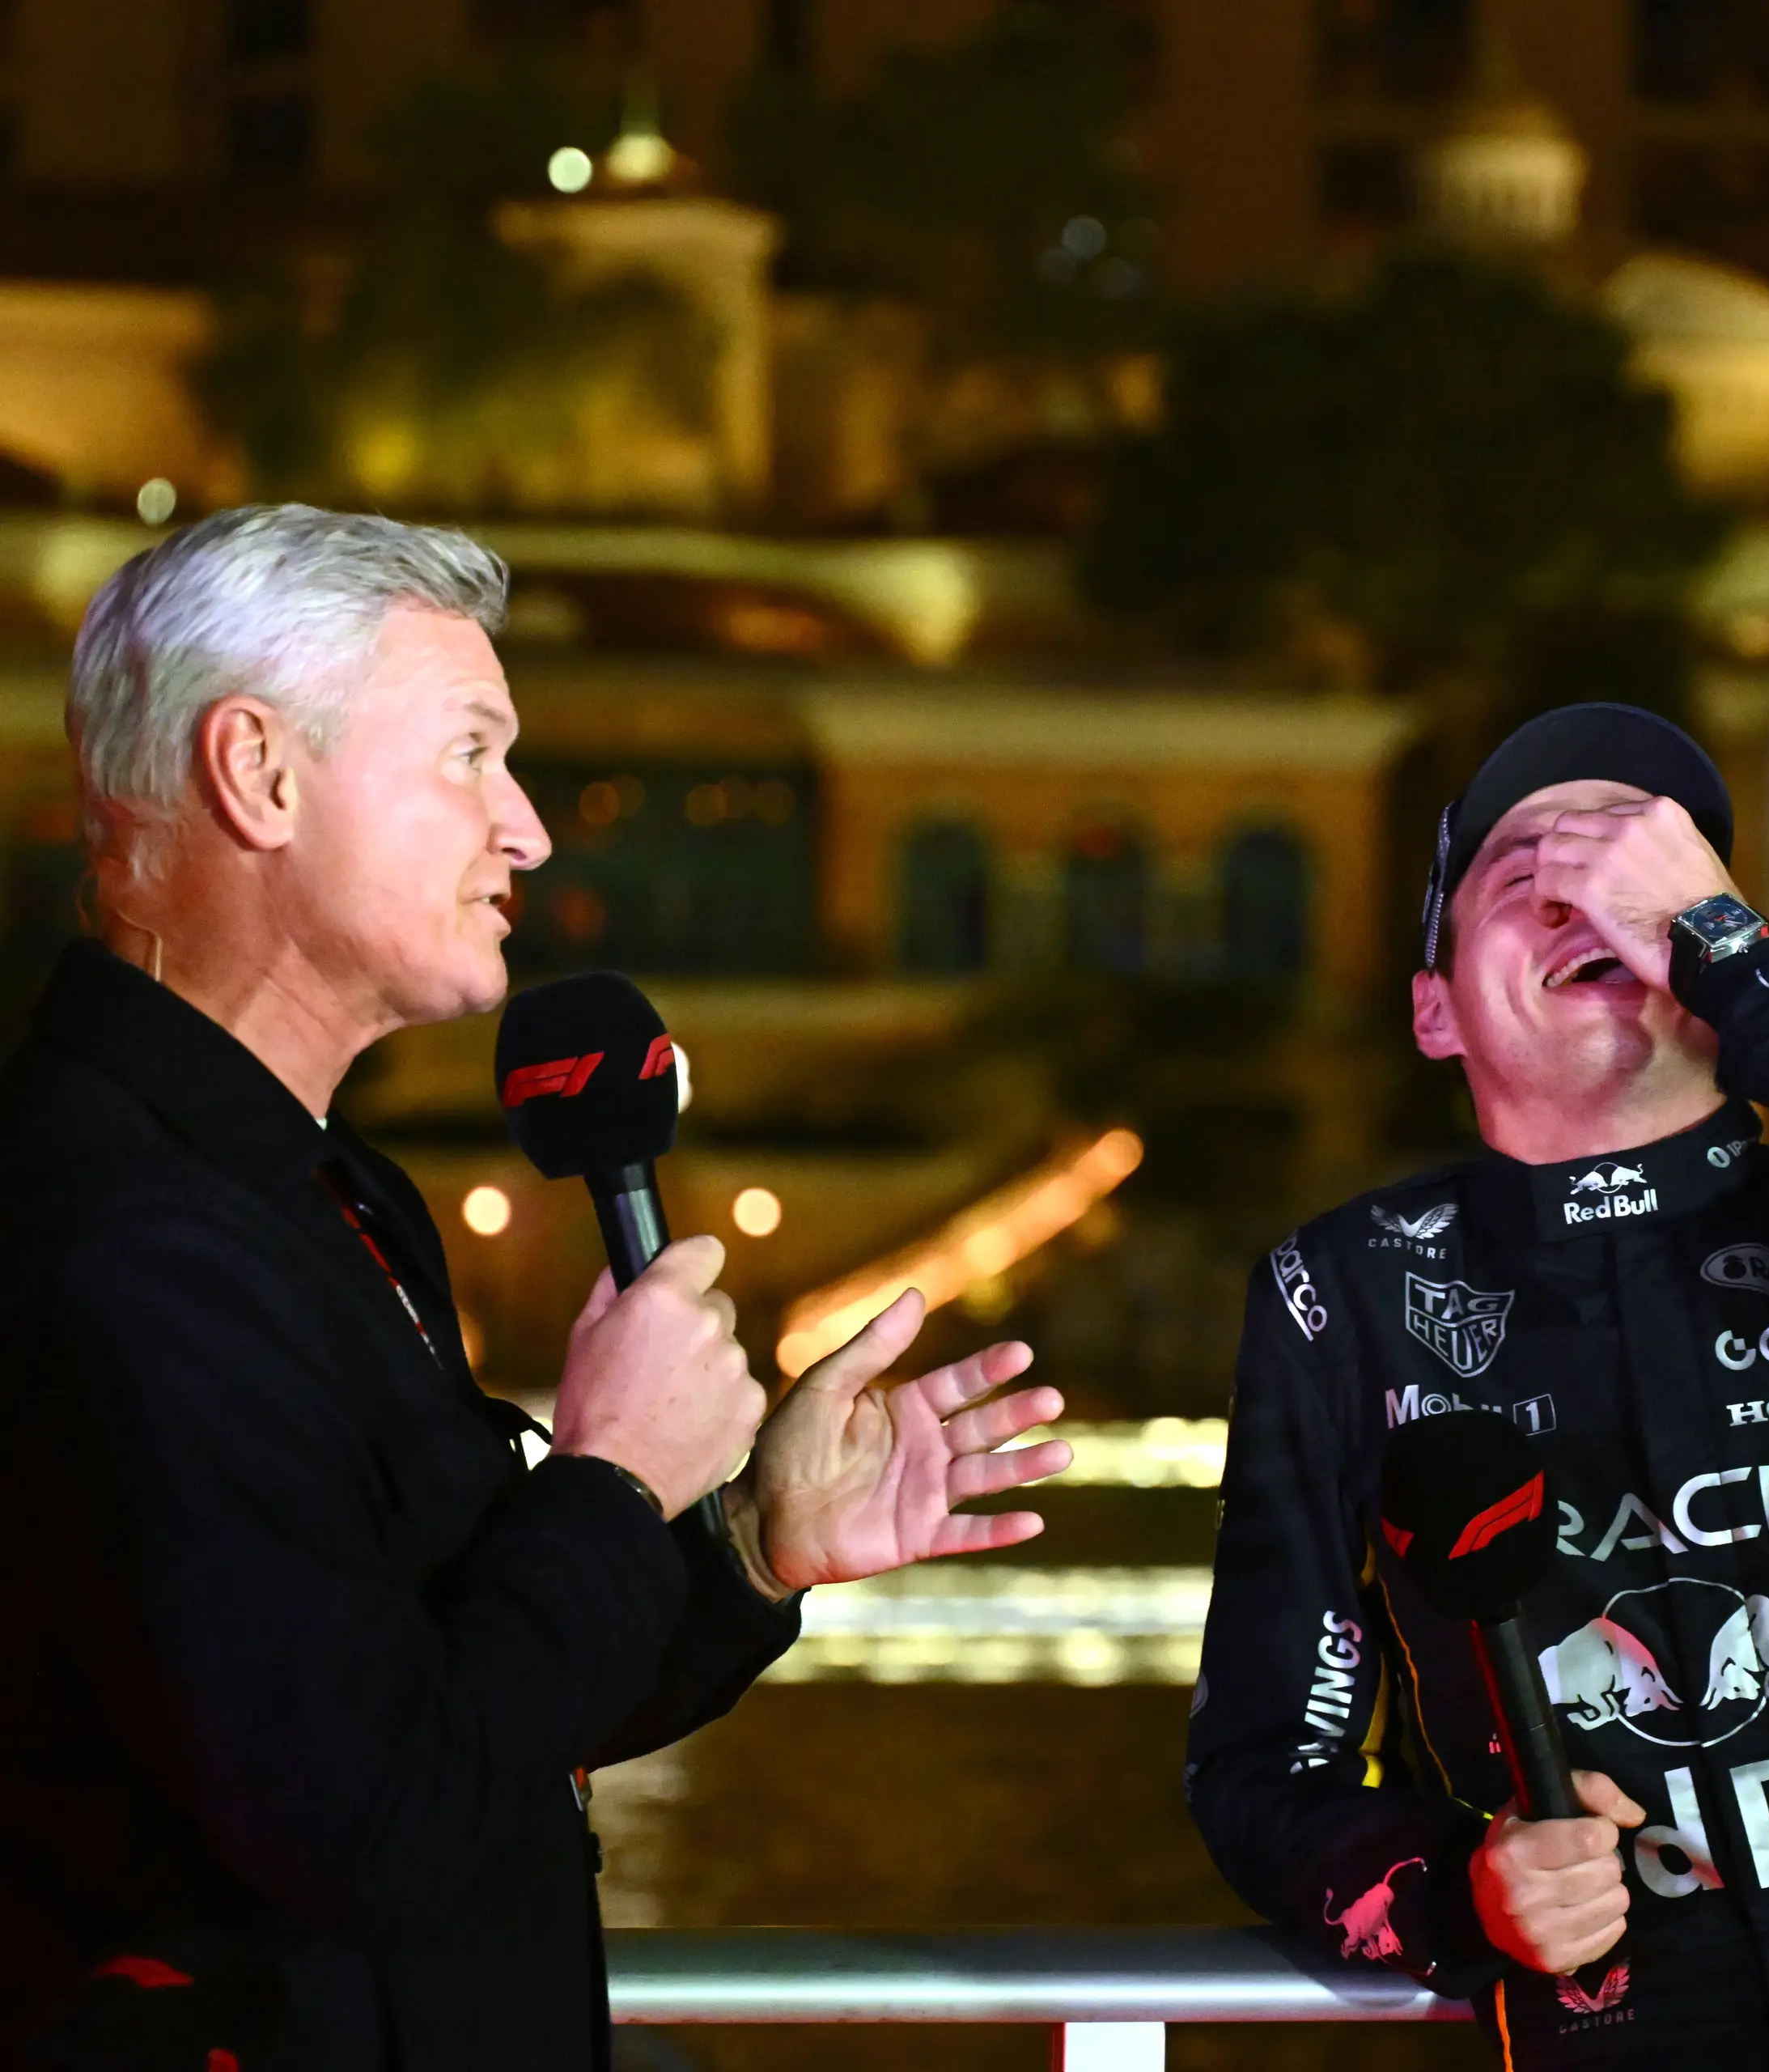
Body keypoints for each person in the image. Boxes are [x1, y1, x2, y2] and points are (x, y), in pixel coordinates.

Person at [0, 506, 1074, 2071]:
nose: (529, 829)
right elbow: (374, 1813)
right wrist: (613, 1474)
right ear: (260, 773)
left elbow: (483, 1708)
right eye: (468, 754)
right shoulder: (114, 1232)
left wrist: (746, 1548)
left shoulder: (323, 1192)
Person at [1186, 703, 1769, 2070]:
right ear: (1435, 1011)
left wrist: (1737, 955)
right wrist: (1464, 1888)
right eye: (1526, 882)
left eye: (1639, 881)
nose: (1586, 905)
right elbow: (1263, 1771)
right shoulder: (1343, 1291)